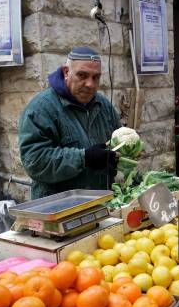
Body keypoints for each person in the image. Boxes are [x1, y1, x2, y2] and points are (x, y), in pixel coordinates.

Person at [19, 47, 121, 199]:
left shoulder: (104, 105)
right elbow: (35, 161)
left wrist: (122, 155)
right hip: (58, 209)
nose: (90, 84)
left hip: (101, 203)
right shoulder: (41, 108)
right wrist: (84, 158)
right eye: (82, 75)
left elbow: (118, 144)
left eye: (96, 77)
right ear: (66, 72)